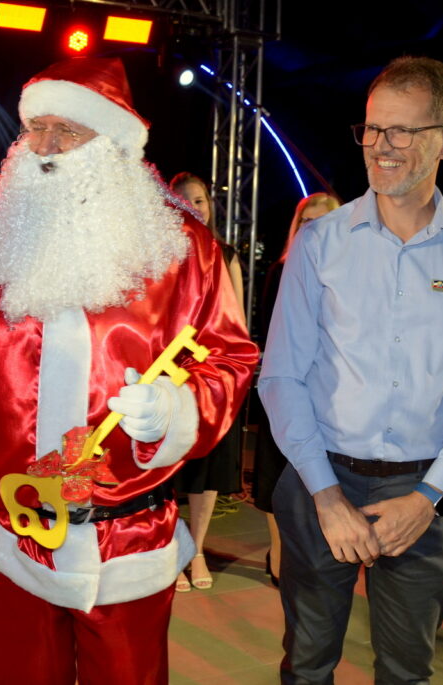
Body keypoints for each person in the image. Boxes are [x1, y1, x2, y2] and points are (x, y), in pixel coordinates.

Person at [0, 57, 259, 684]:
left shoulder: (180, 247)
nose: (42, 146)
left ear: (113, 143)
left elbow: (229, 355)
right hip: (13, 533)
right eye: (34, 127)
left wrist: (177, 411)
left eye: (67, 130)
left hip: (126, 537)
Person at [259, 56, 443, 683]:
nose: (381, 146)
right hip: (321, 483)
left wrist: (430, 497)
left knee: (406, 672)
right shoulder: (321, 243)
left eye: (403, 130)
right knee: (306, 666)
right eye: (373, 128)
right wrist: (326, 497)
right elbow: (281, 375)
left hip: (424, 490)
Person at [253, 192, 340, 586]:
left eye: (323, 221)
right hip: (287, 388)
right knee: (276, 476)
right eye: (307, 221)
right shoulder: (281, 270)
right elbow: (272, 335)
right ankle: (278, 556)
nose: (314, 229)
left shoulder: (353, 275)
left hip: (331, 396)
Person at [168, 171, 245, 591]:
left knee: (207, 472)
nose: (192, 208)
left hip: (211, 377)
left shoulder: (225, 254)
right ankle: (170, 548)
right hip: (165, 376)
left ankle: (196, 550)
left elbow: (238, 326)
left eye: (199, 200)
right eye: (183, 200)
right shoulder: (157, 253)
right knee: (165, 468)